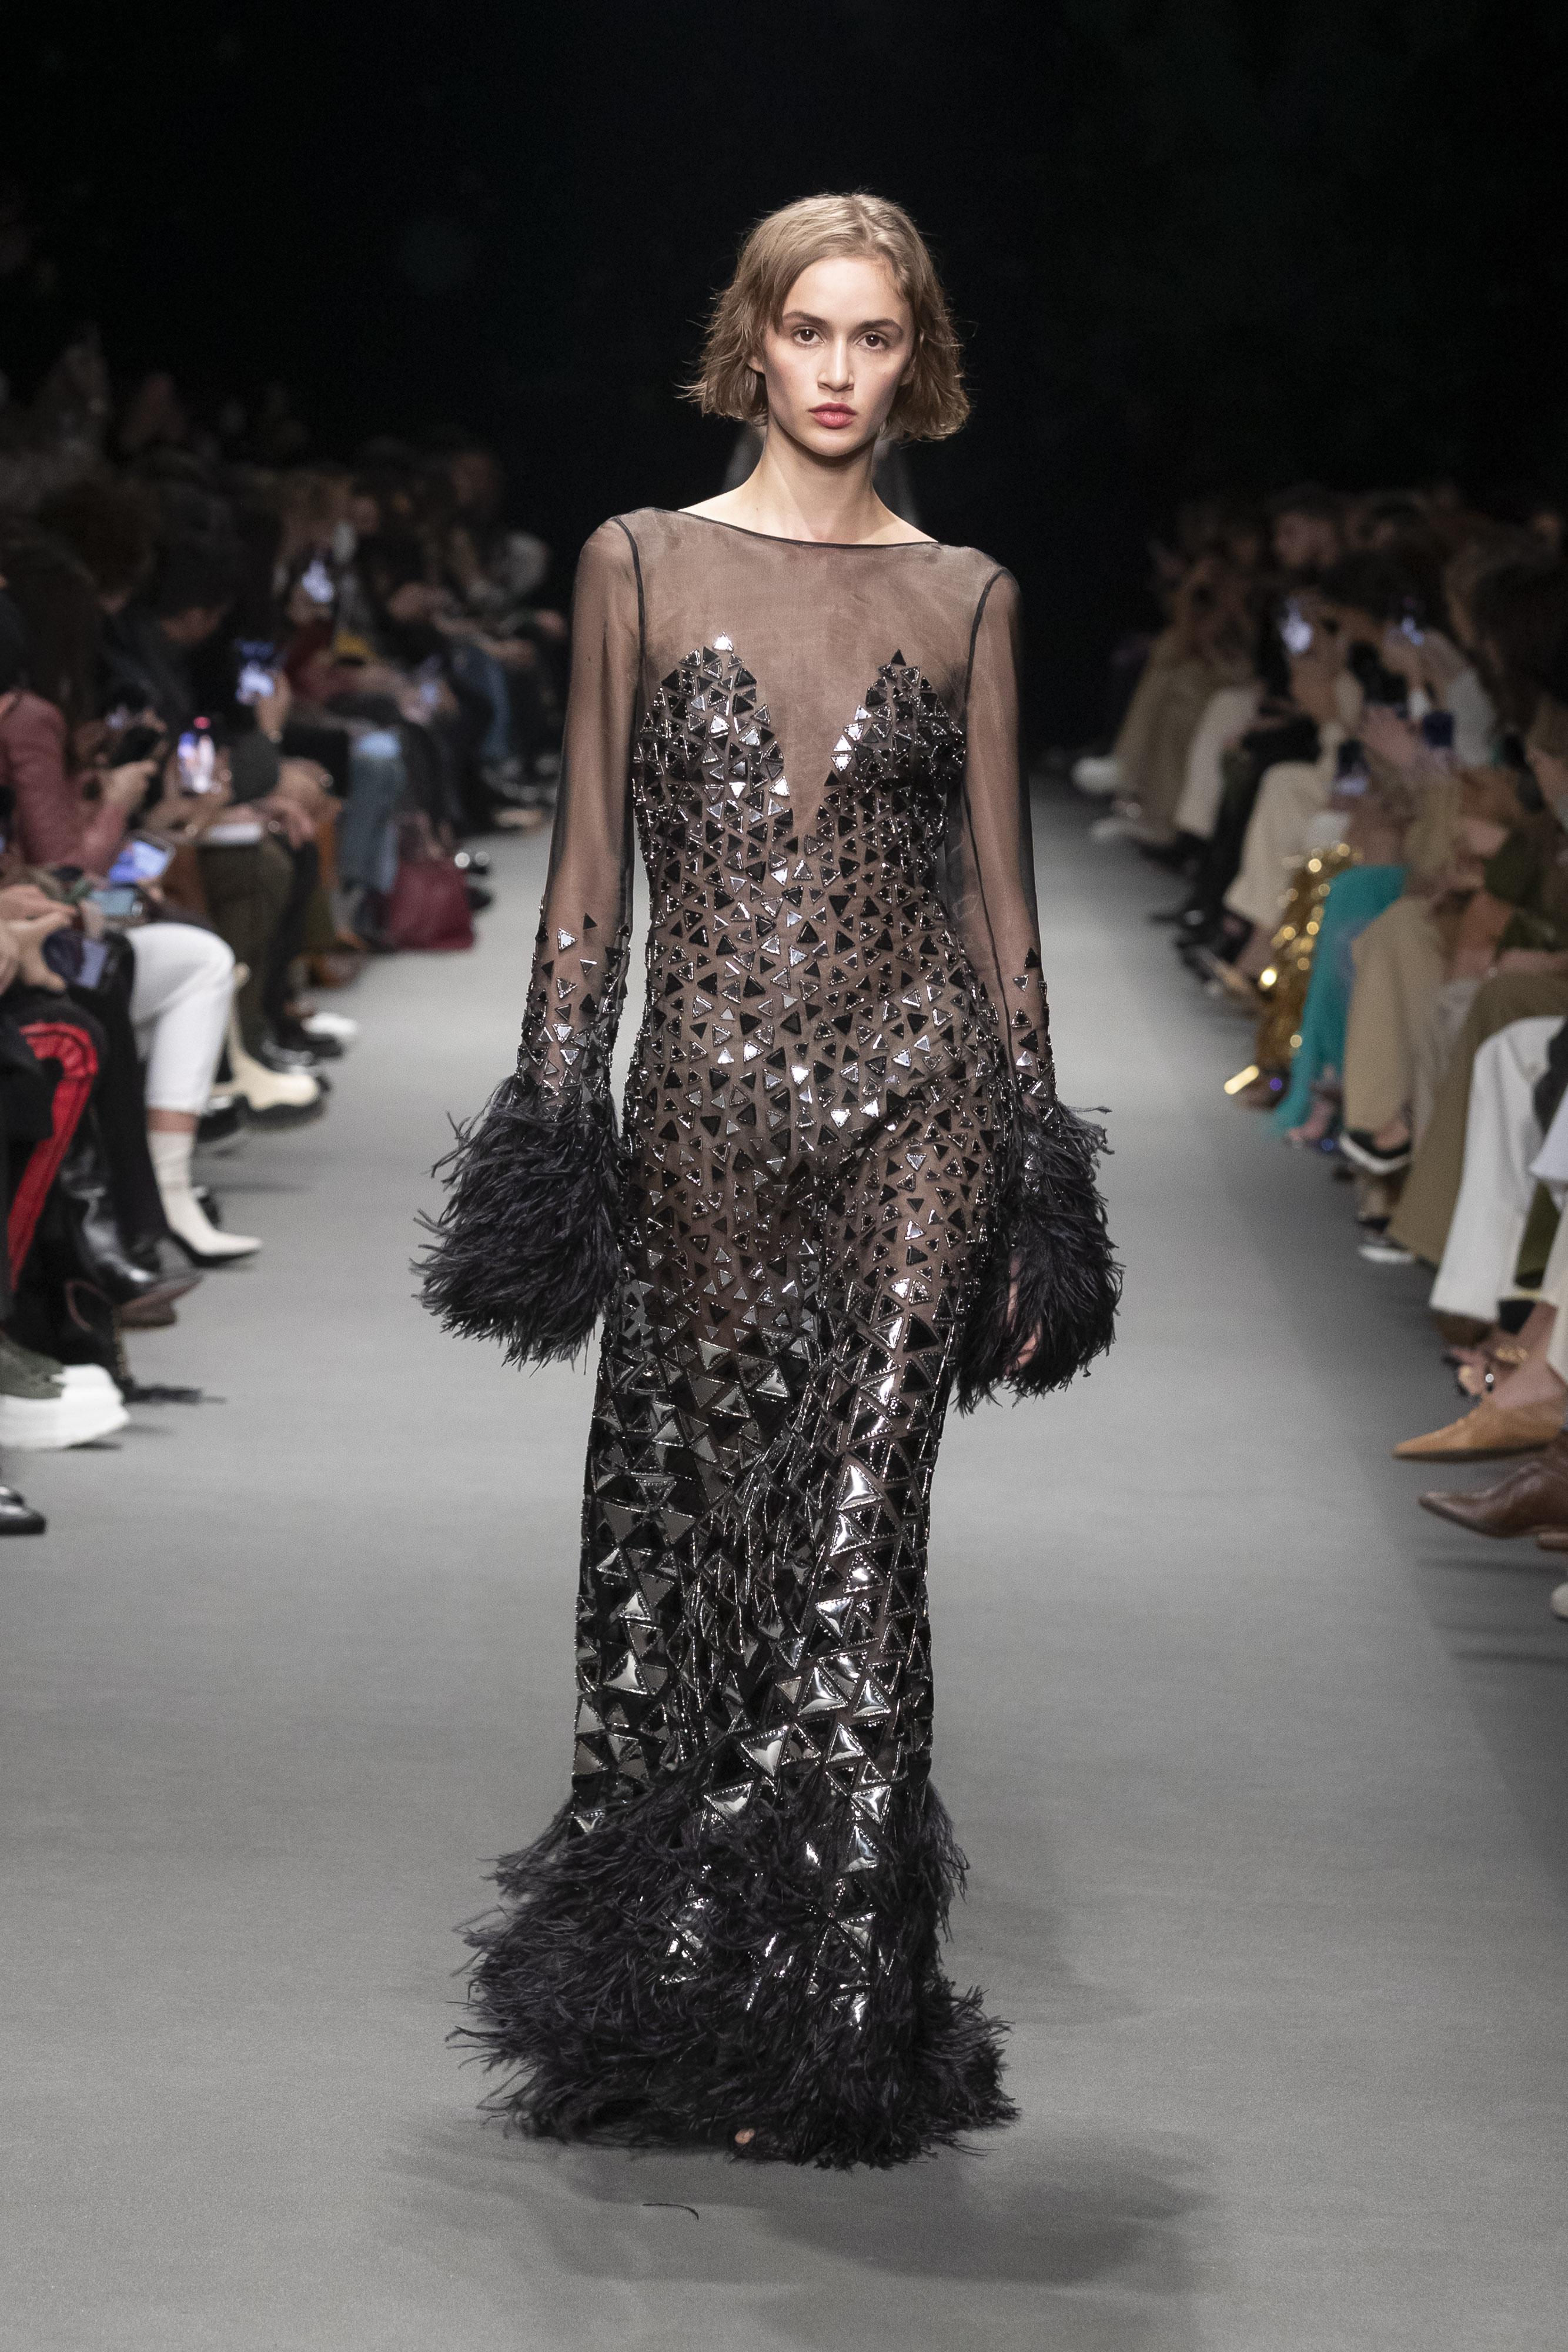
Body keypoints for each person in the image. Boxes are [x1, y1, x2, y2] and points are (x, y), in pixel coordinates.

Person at [420, 192, 1119, 2167]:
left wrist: (1038, 1176)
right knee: (689, 1538)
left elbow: (1000, 914)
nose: (835, 370)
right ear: (750, 344)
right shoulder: (636, 562)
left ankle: (834, 2024)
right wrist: (553, 1127)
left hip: (920, 1109)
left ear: (917, 361)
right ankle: (673, 1985)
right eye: (807, 330)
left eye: (873, 336)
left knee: (853, 1534)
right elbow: (586, 880)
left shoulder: (966, 595)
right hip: (702, 1123)